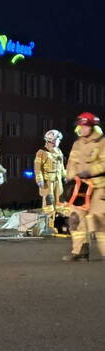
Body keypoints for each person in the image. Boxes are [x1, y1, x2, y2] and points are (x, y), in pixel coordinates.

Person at [62, 112, 105, 261]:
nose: (82, 128)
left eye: (85, 126)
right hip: (80, 189)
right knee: (75, 219)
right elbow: (71, 164)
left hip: (99, 188)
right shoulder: (78, 143)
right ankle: (80, 251)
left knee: (99, 220)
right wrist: (70, 182)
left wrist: (90, 171)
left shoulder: (102, 142)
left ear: (92, 126)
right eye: (81, 125)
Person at [34, 129, 65, 221]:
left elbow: (61, 167)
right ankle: (48, 220)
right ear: (52, 140)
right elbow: (37, 168)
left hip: (58, 181)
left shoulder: (59, 151)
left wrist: (67, 176)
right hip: (48, 182)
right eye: (57, 139)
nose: (59, 141)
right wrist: (39, 179)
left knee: (60, 201)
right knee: (49, 201)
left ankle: (60, 221)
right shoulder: (41, 152)